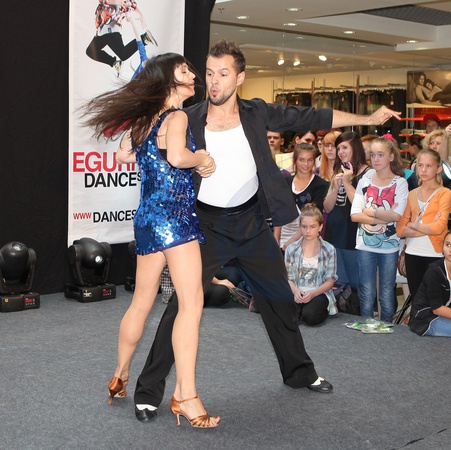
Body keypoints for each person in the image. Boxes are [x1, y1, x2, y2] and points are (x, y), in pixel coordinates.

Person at [132, 40, 401, 422]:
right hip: (205, 226)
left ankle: (299, 373)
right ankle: (148, 392)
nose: (214, 81)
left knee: (279, 299)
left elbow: (311, 115)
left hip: (252, 224)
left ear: (240, 77)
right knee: (181, 307)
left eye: (223, 73)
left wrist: (369, 119)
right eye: (209, 73)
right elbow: (156, 145)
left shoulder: (257, 113)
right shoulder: (187, 117)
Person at [82, 53, 219, 428]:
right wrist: (200, 157)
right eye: (184, 70)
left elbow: (124, 155)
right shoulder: (176, 117)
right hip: (174, 220)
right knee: (191, 303)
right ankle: (186, 396)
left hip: (146, 219)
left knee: (141, 302)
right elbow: (176, 156)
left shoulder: (145, 121)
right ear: (169, 80)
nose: (193, 75)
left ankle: (119, 375)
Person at [350, 137, 409, 322]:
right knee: (366, 291)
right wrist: (383, 216)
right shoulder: (365, 180)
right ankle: (366, 325)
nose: (375, 159)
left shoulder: (400, 183)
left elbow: (397, 216)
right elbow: (355, 215)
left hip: (389, 248)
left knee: (386, 291)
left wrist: (370, 211)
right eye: (373, 154)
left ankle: (387, 328)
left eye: (381, 155)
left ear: (391, 156)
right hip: (364, 245)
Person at [396, 149, 451, 299]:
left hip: (435, 253)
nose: (423, 170)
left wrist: (413, 225)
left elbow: (439, 227)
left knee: (435, 300)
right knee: (417, 299)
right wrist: (427, 228)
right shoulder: (412, 193)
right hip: (412, 253)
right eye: (420, 165)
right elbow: (400, 229)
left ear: (438, 169)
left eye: (429, 166)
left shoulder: (445, 193)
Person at [323, 132, 371, 292]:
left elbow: (360, 206)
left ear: (355, 148)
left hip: (354, 238)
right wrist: (336, 188)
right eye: (338, 148)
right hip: (334, 236)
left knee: (358, 286)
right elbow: (327, 208)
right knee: (339, 287)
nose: (340, 152)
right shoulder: (339, 170)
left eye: (344, 147)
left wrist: (346, 182)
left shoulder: (368, 173)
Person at [409, 229, 451, 338]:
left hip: (449, 312)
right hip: (427, 318)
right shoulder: (434, 270)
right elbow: (437, 309)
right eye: (448, 245)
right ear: (443, 247)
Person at [285, 204, 338, 326]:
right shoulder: (291, 249)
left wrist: (313, 293)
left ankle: (313, 310)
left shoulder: (329, 249)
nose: (308, 231)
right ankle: (299, 311)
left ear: (320, 227)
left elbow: (330, 281)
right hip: (296, 291)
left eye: (312, 227)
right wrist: (296, 291)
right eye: (304, 227)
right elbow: (288, 278)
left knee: (311, 316)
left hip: (318, 293)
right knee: (286, 315)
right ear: (300, 227)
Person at [277, 143, 329, 251]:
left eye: (310, 160)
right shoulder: (284, 182)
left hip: (306, 240)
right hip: (282, 239)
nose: (306, 164)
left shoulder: (321, 185)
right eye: (301, 160)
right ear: (295, 160)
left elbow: (314, 218)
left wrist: (291, 241)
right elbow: (278, 213)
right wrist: (276, 240)